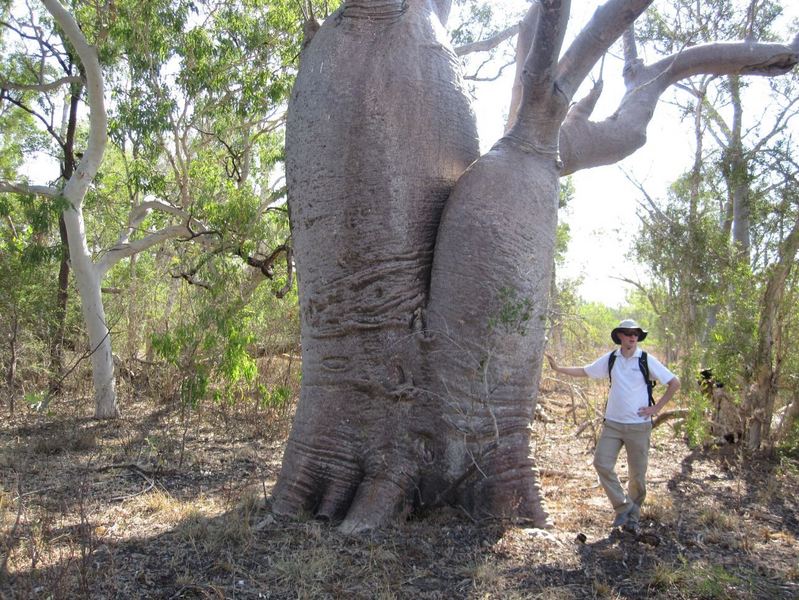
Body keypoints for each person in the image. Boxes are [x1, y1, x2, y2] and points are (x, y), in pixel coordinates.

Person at [545, 319, 680, 534]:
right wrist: (558, 368)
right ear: (619, 336)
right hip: (613, 425)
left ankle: (632, 520)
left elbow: (674, 382)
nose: (632, 337)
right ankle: (623, 507)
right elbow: (585, 371)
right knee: (601, 463)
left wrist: (657, 408)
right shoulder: (612, 359)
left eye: (635, 333)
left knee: (637, 476)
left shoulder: (646, 360)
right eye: (627, 333)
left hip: (639, 426)